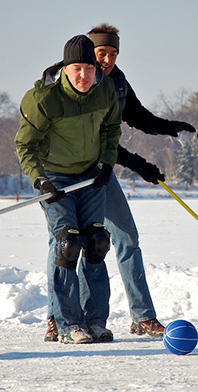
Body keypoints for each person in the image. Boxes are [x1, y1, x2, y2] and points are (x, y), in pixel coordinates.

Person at [43, 23, 196, 342]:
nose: (108, 60)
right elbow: (98, 139)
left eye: (113, 53)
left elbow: (137, 116)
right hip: (63, 172)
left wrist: (168, 127)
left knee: (124, 236)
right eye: (102, 53)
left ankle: (142, 316)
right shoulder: (67, 83)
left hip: (100, 172)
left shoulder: (117, 82)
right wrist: (139, 164)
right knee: (65, 242)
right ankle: (57, 317)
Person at [15, 35, 122, 344]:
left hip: (90, 175)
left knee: (98, 242)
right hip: (55, 177)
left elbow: (112, 129)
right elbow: (25, 144)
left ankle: (95, 321)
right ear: (64, 67)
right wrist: (40, 180)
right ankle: (67, 324)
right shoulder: (44, 99)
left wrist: (106, 163)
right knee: (67, 245)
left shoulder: (104, 91)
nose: (84, 76)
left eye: (89, 68)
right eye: (77, 68)